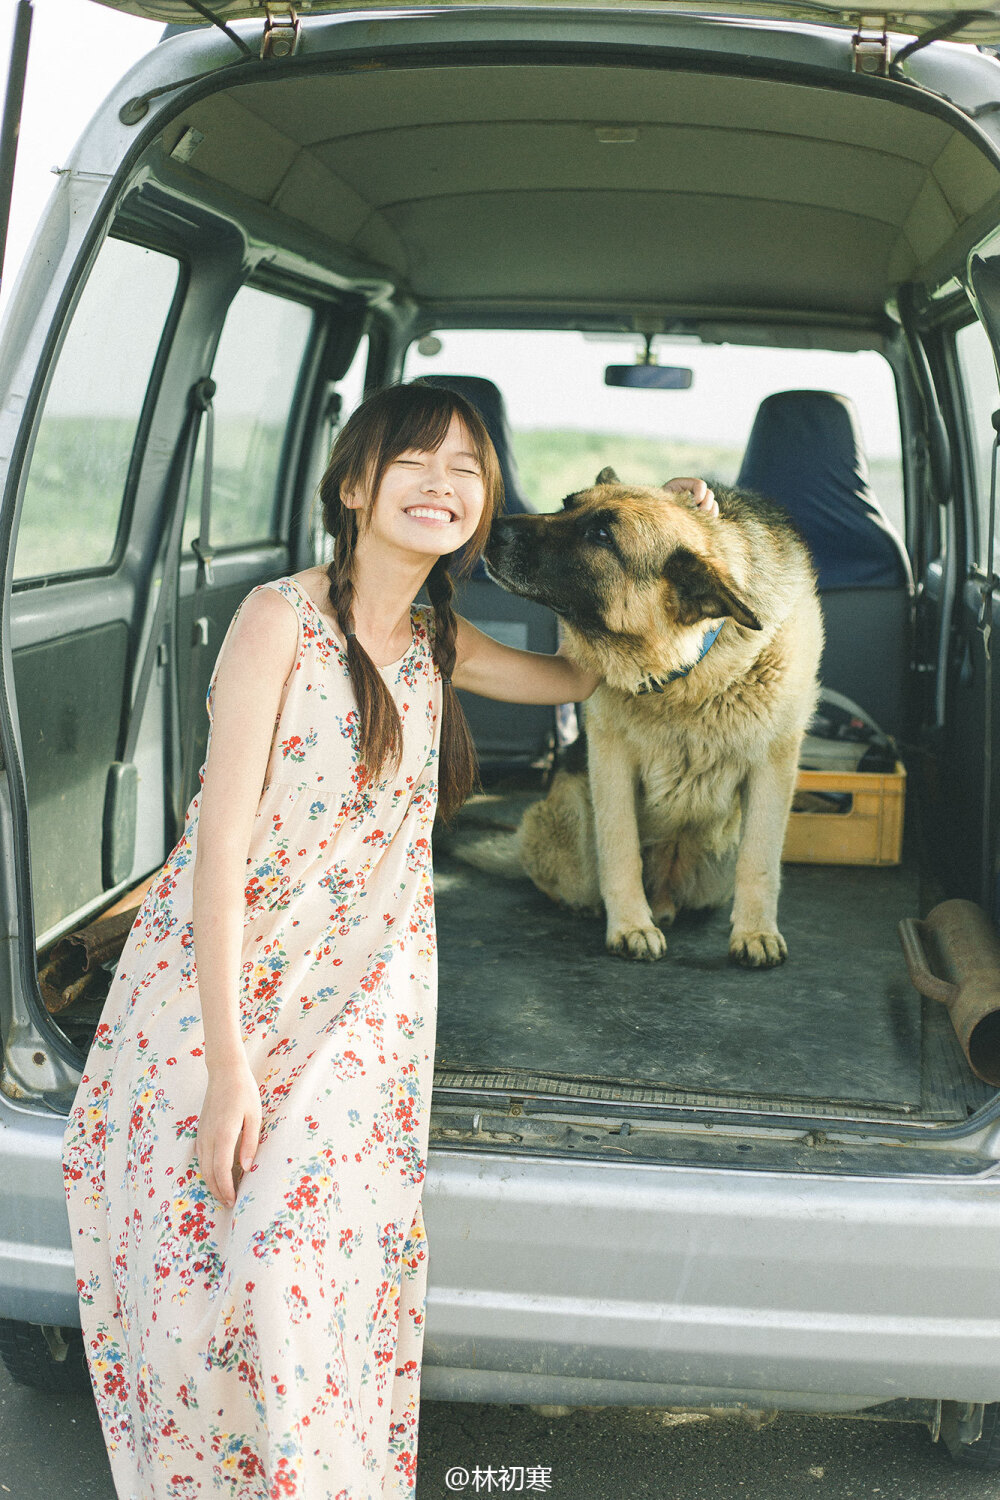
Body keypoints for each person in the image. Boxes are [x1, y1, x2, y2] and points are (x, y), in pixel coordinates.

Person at [61, 379, 716, 1500]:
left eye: (467, 469)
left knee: (296, 1268)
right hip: (222, 983)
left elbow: (588, 672)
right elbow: (216, 851)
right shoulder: (281, 619)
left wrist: (684, 549)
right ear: (355, 485)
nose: (443, 483)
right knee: (205, 1281)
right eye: (416, 460)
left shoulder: (432, 638)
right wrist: (226, 1068)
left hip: (364, 999)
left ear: (481, 510)